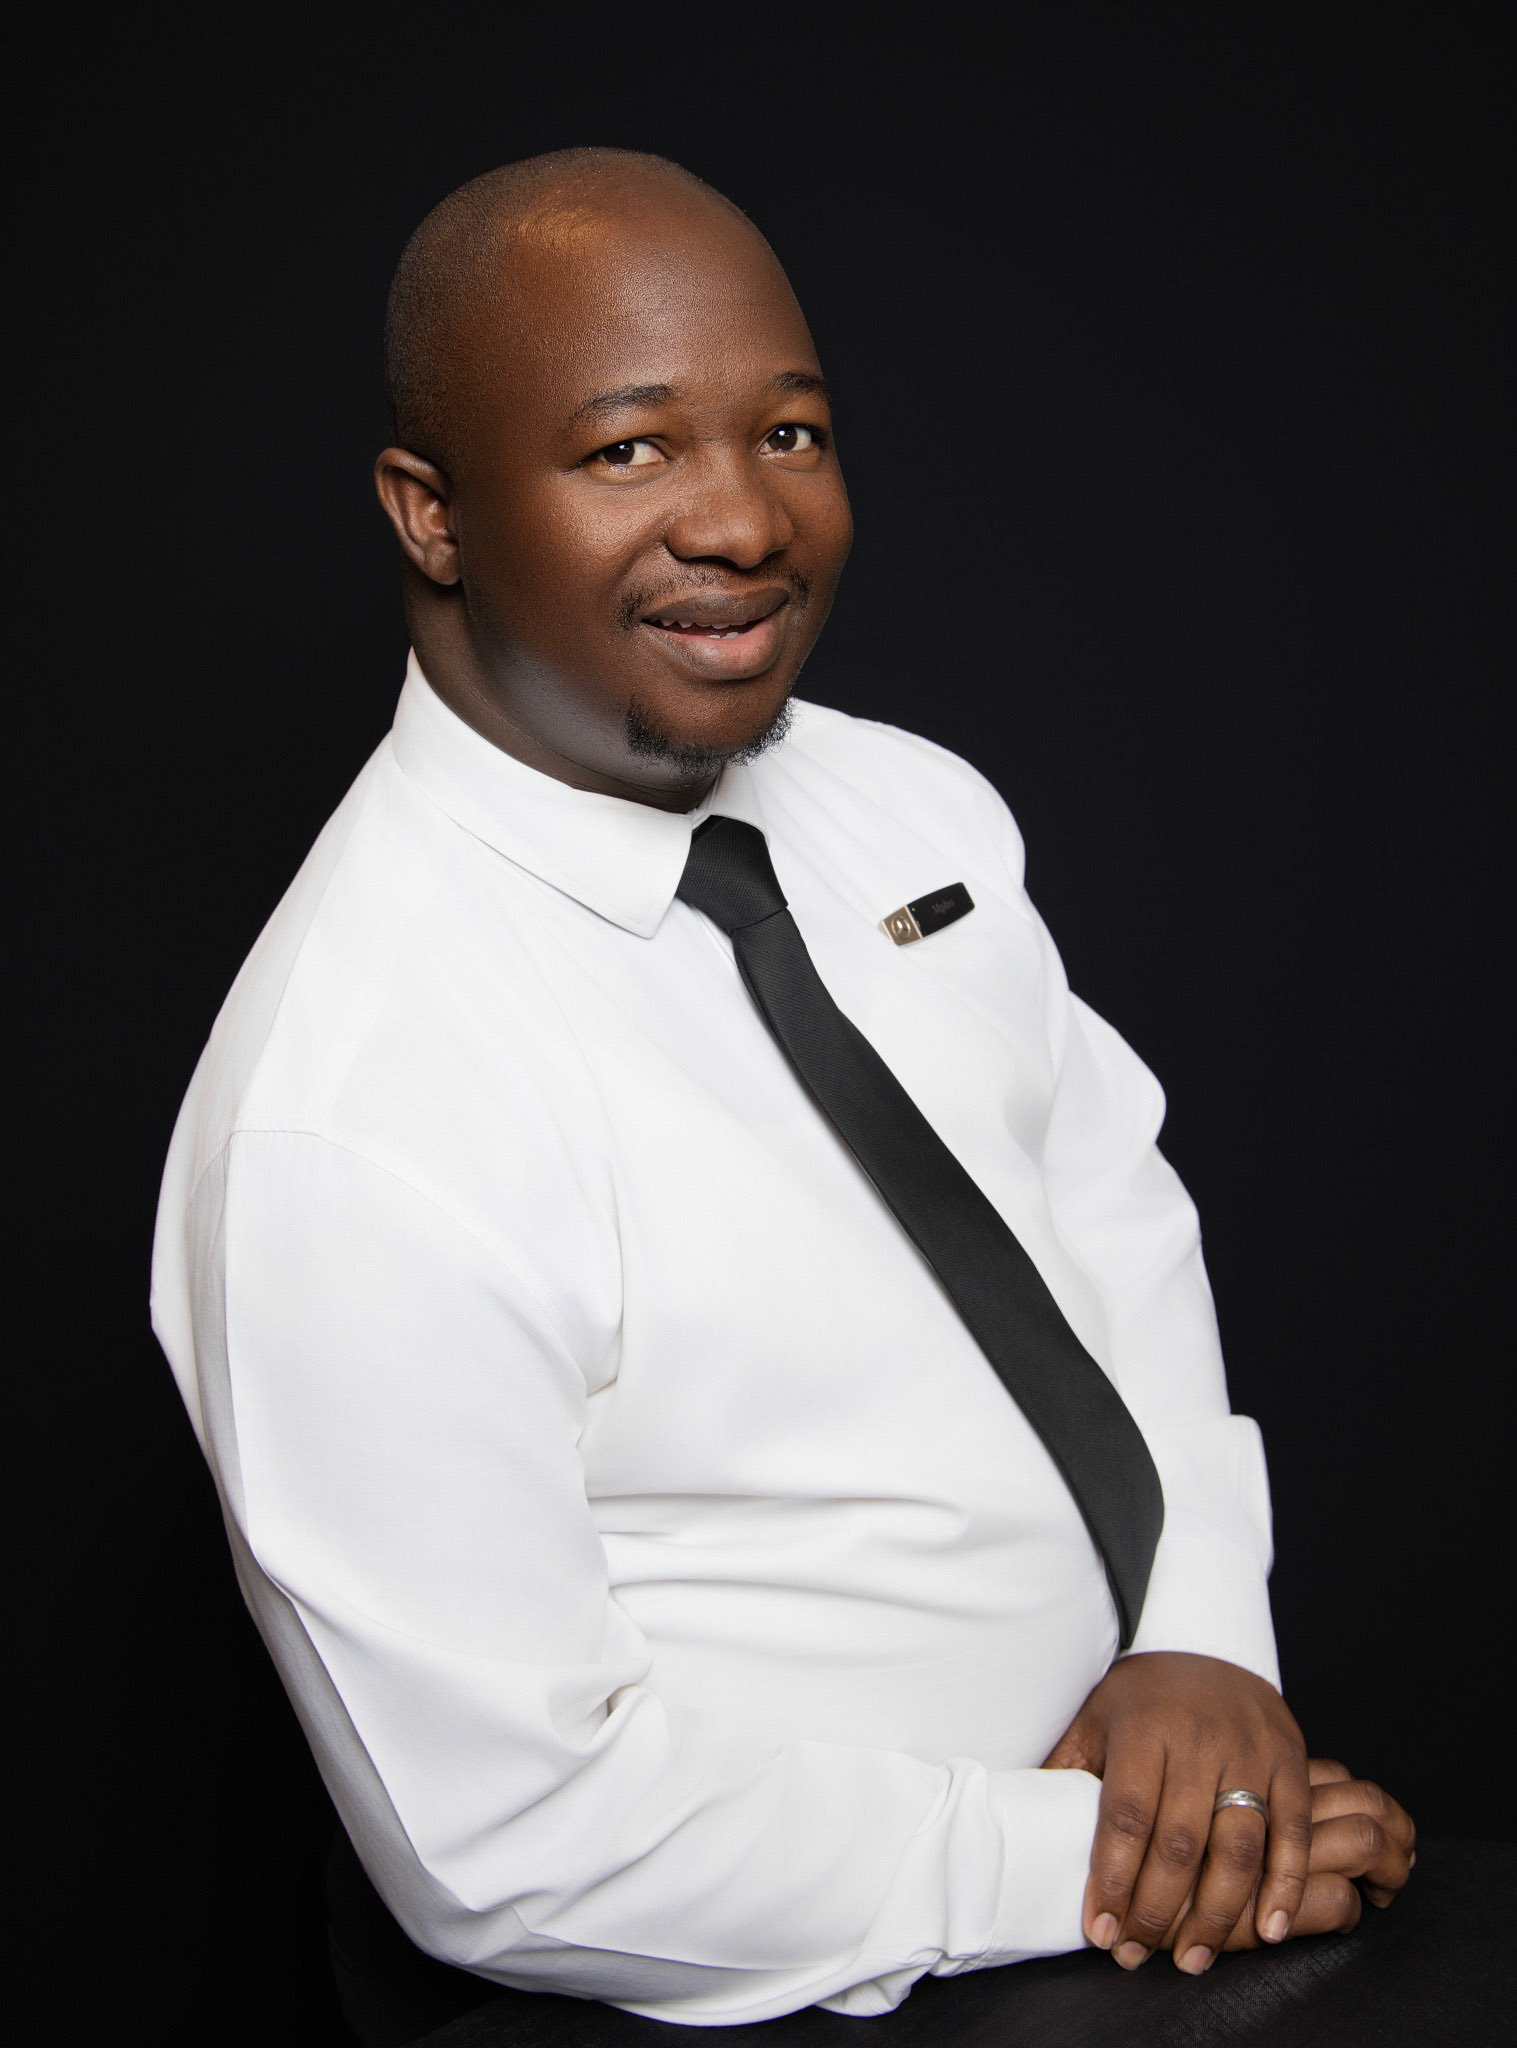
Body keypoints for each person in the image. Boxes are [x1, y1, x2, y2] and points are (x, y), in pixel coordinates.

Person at [150, 148, 1412, 2029]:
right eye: (628, 449)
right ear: (432, 514)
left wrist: (1200, 1635)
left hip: (1143, 1844)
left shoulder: (905, 801)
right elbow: (513, 1846)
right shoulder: (353, 1109)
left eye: (791, 433)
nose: (742, 521)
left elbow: (1103, 1206)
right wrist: (1103, 1864)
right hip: (751, 1985)